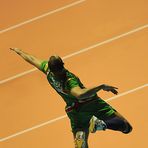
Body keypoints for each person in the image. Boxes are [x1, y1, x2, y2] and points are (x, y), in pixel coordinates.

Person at [10, 48, 132, 148]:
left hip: (74, 111)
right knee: (126, 127)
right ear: (61, 66)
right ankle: (101, 125)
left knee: (80, 142)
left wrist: (20, 52)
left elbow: (32, 59)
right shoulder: (68, 80)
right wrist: (101, 86)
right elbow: (79, 94)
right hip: (91, 103)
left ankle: (81, 135)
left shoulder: (48, 70)